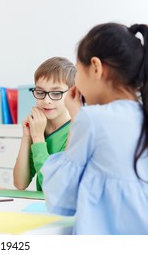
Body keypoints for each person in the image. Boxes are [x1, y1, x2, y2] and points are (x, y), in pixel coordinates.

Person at [41, 23, 148, 234]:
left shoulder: (92, 118)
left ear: (96, 67)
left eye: (78, 71)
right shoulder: (142, 116)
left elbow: (62, 194)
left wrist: (76, 116)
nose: (76, 83)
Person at [13, 57, 76, 191]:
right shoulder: (38, 127)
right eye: (40, 92)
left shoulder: (75, 131)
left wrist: (38, 138)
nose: (46, 100)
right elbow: (20, 183)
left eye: (56, 93)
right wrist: (27, 137)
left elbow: (54, 187)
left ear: (72, 93)